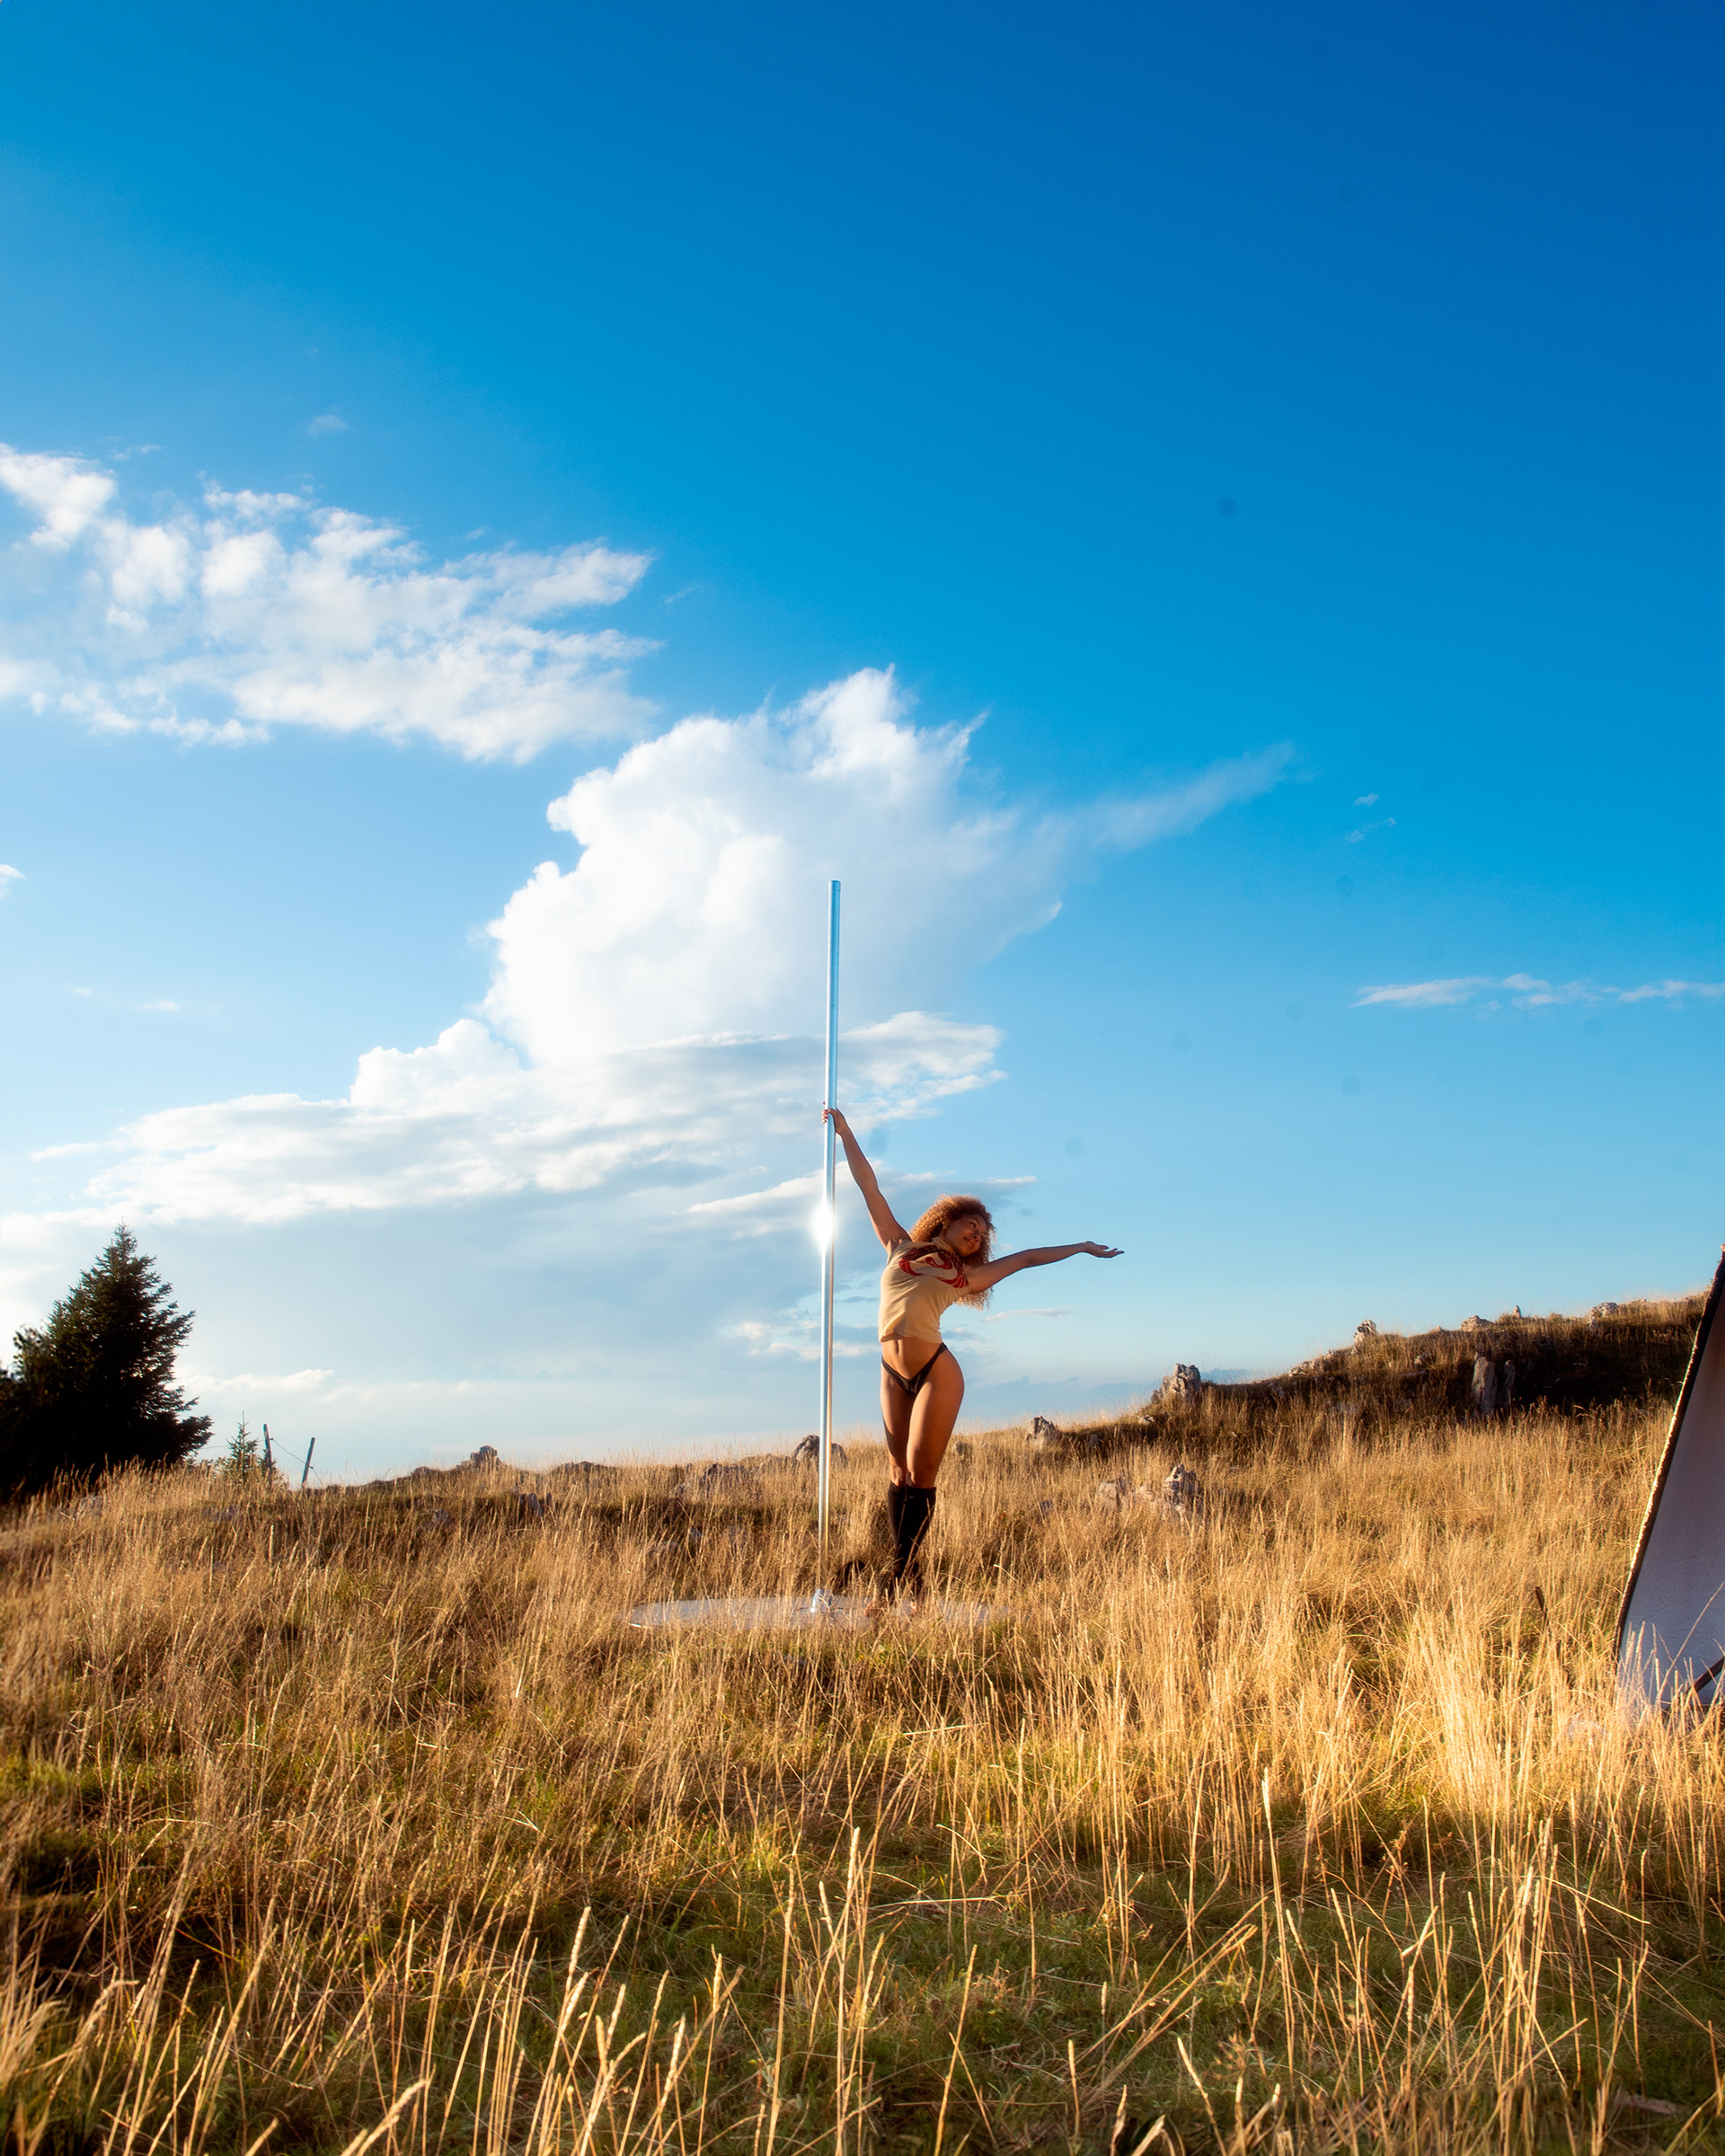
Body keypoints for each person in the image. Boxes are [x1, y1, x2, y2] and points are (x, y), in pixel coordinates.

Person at [824, 1108, 1123, 1604]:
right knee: (897, 1473)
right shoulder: (898, 1245)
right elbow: (869, 1188)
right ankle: (908, 1575)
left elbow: (1026, 1259)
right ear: (950, 1218)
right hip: (890, 1370)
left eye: (983, 1235)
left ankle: (902, 1574)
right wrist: (845, 1132)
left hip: (936, 1372)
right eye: (973, 1225)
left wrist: (1082, 1247)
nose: (978, 1236)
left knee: (921, 1475)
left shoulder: (965, 1277)